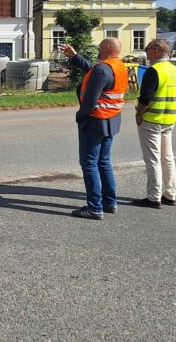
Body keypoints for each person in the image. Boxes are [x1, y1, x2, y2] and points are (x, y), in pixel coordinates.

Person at [59, 38, 128, 220]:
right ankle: (109, 202)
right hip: (111, 120)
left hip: (95, 120)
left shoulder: (103, 68)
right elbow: (94, 71)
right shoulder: (118, 66)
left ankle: (94, 207)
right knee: (103, 162)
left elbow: (90, 100)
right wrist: (75, 57)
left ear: (106, 48)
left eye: (100, 46)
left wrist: (80, 116)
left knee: (89, 164)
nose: (98, 48)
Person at [132, 39, 176, 208]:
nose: (145, 53)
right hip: (169, 119)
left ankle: (153, 197)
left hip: (151, 119)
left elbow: (145, 98)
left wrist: (139, 115)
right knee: (167, 158)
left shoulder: (154, 71)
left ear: (156, 50)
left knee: (152, 159)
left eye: (147, 49)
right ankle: (170, 194)